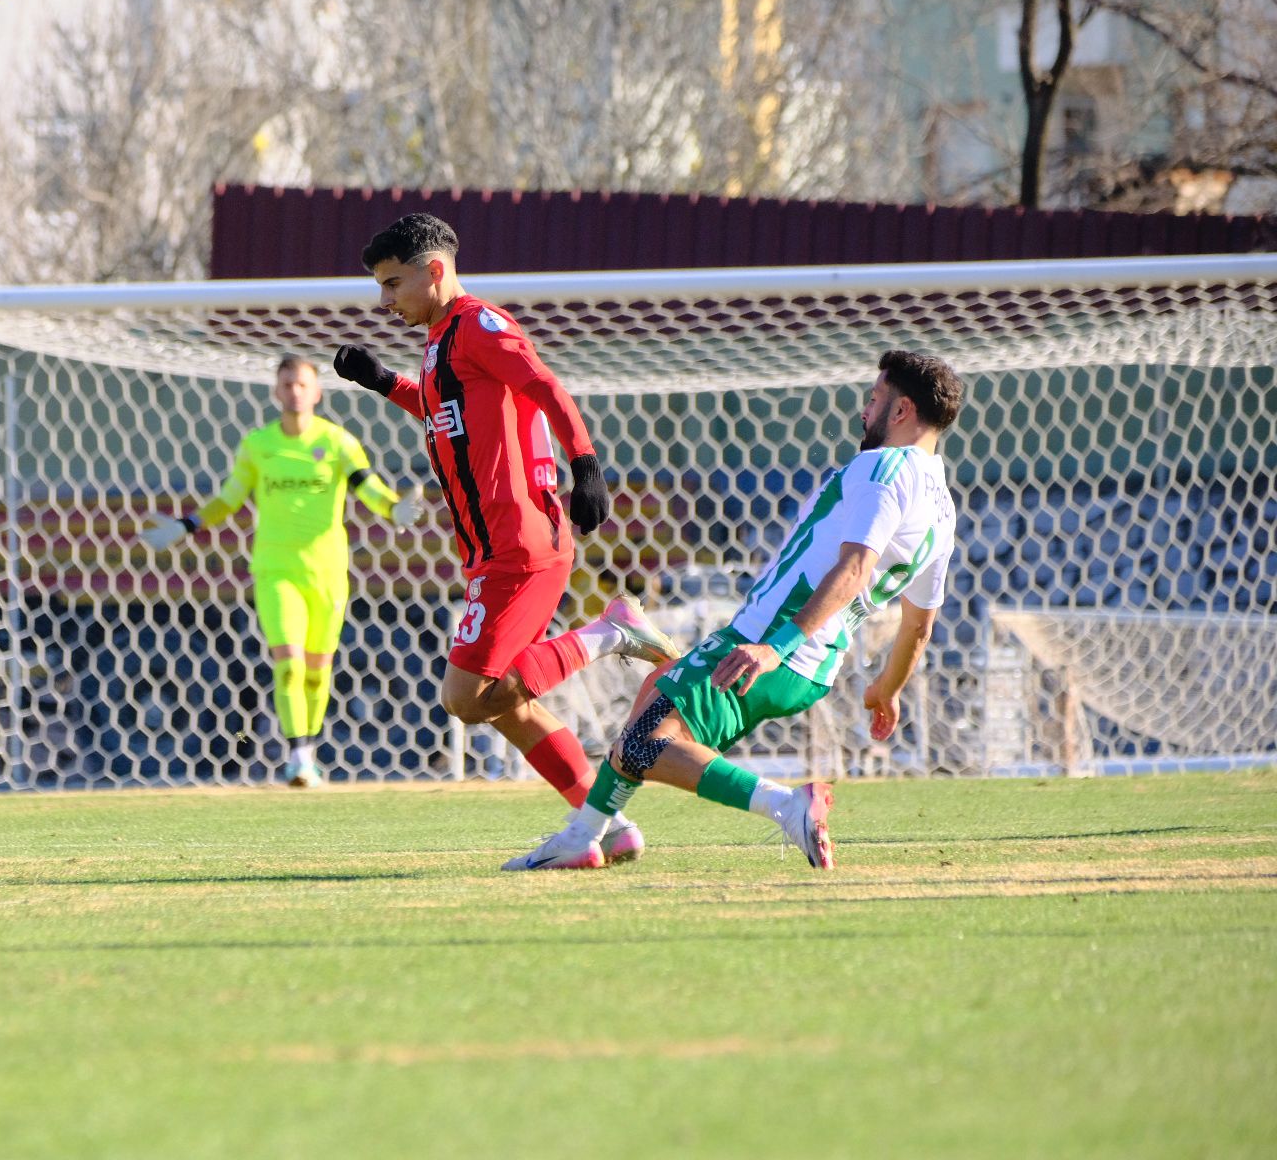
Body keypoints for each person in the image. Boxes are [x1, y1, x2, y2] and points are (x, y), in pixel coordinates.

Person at [501, 349, 964, 870]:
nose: (865, 410)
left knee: (643, 747)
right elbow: (919, 624)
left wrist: (773, 646)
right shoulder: (943, 508)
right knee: (655, 697)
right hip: (812, 666)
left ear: (900, 411)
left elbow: (854, 567)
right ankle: (588, 833)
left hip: (769, 643)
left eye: (875, 399)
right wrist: (888, 687)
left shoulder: (884, 468)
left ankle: (788, 806)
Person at [333, 212, 678, 861]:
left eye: (392, 283)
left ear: (434, 272)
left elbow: (543, 385)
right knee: (502, 702)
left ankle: (612, 632)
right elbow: (444, 408)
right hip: (492, 549)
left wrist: (587, 466)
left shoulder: (479, 325)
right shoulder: (440, 341)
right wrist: (384, 382)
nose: (384, 301)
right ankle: (602, 826)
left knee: (465, 698)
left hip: (520, 542)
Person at [140, 355, 420, 787]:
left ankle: (308, 752)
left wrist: (394, 509)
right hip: (275, 570)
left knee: (317, 668)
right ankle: (299, 758)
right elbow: (229, 499)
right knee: (287, 663)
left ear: (317, 392)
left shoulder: (339, 442)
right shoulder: (259, 445)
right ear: (276, 391)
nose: (294, 392)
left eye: (302, 384)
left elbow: (369, 489)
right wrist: (185, 526)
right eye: (287, 384)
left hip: (327, 572)